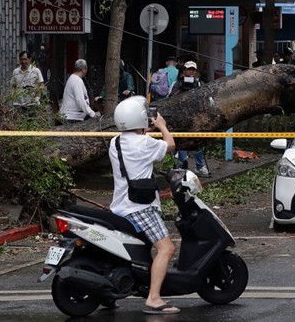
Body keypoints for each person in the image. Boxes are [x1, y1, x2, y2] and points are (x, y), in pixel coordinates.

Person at [108, 96, 178, 314]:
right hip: (140, 208)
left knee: (139, 251)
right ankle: (154, 298)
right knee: (166, 248)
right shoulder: (145, 143)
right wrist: (162, 126)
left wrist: (143, 130)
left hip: (119, 206)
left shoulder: (115, 142)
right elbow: (171, 145)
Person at [173, 61, 209, 176]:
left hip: (196, 118)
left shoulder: (199, 84)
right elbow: (170, 99)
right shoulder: (177, 84)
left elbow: (206, 98)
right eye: (189, 69)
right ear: (184, 71)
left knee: (198, 141)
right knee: (183, 142)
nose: (191, 72)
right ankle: (181, 166)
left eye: (193, 70)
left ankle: (200, 166)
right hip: (182, 118)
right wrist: (180, 90)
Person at [59, 59, 99, 123]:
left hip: (70, 116)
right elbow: (80, 101)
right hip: (72, 117)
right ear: (83, 69)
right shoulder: (77, 81)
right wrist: (92, 114)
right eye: (86, 69)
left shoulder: (72, 78)